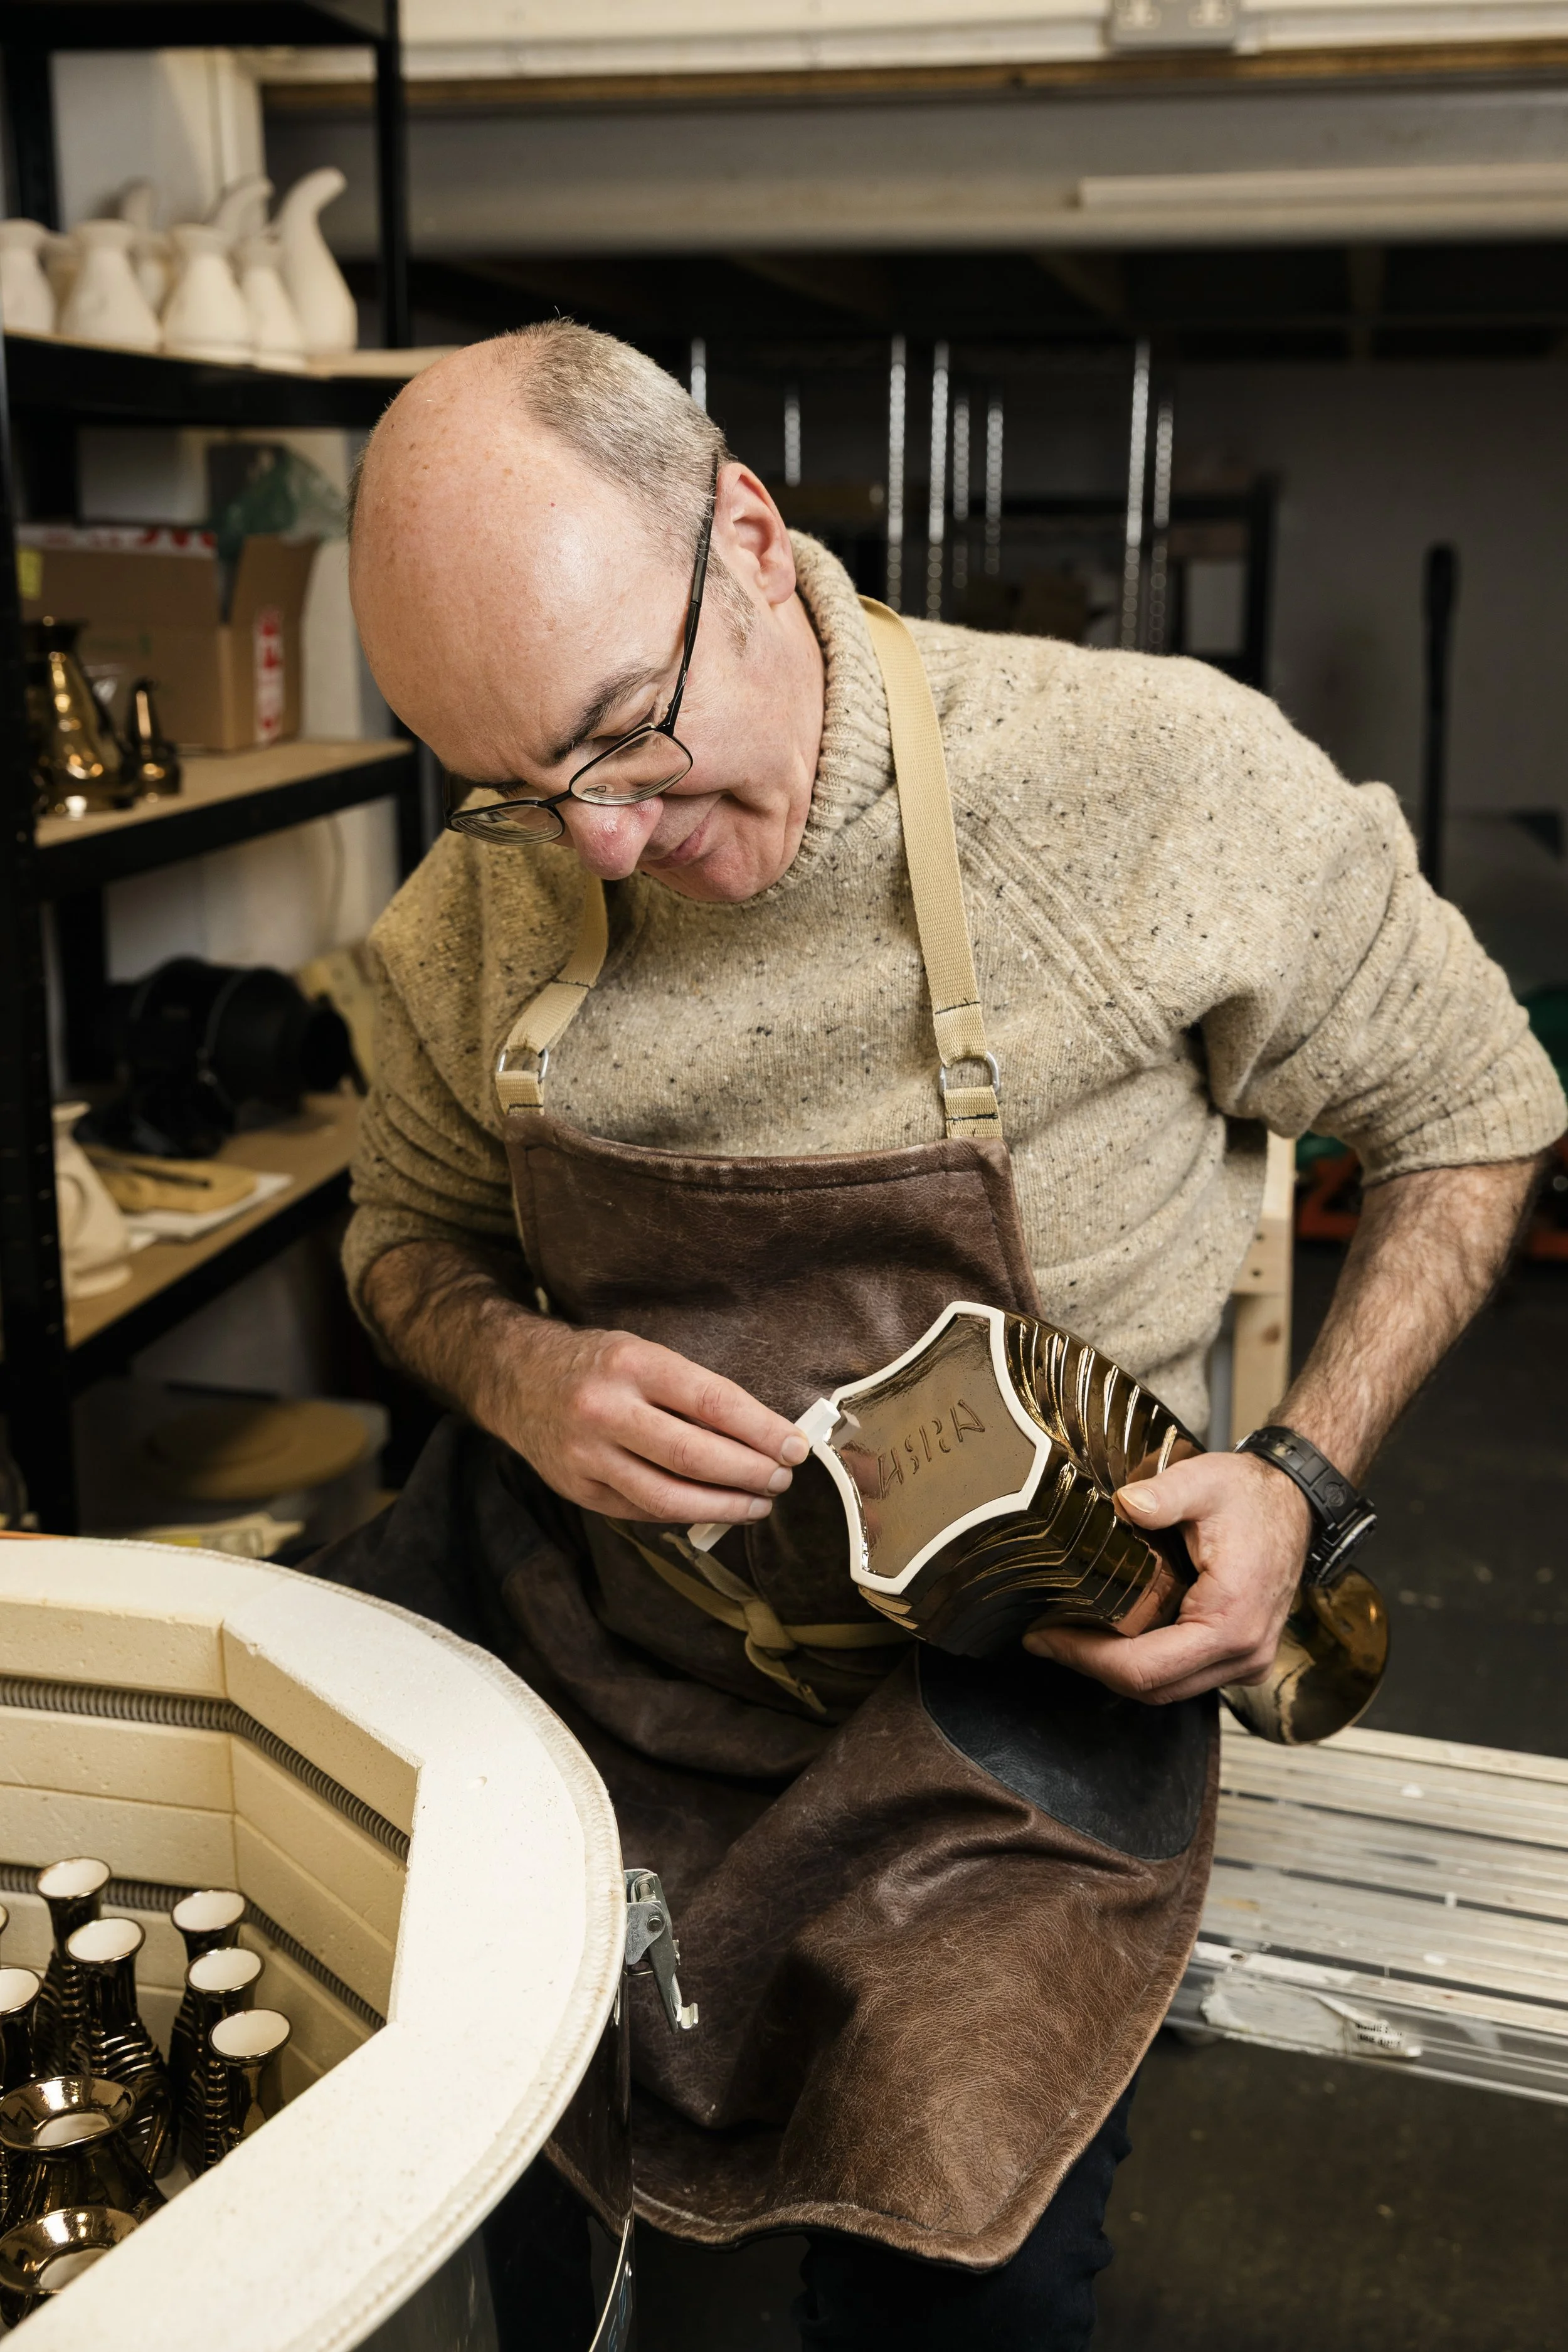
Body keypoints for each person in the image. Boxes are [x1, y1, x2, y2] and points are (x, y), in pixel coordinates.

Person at [321, 322, 1563, 2349]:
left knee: (948, 2286)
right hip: (617, 1681)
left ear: (741, 528)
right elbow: (402, 1234)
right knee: (546, 2216)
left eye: (623, 734)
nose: (600, 844)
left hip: (1011, 1717)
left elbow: (1478, 1107)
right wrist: (516, 1375)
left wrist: (1300, 1478)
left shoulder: (1135, 784)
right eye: (508, 788)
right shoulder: (493, 895)